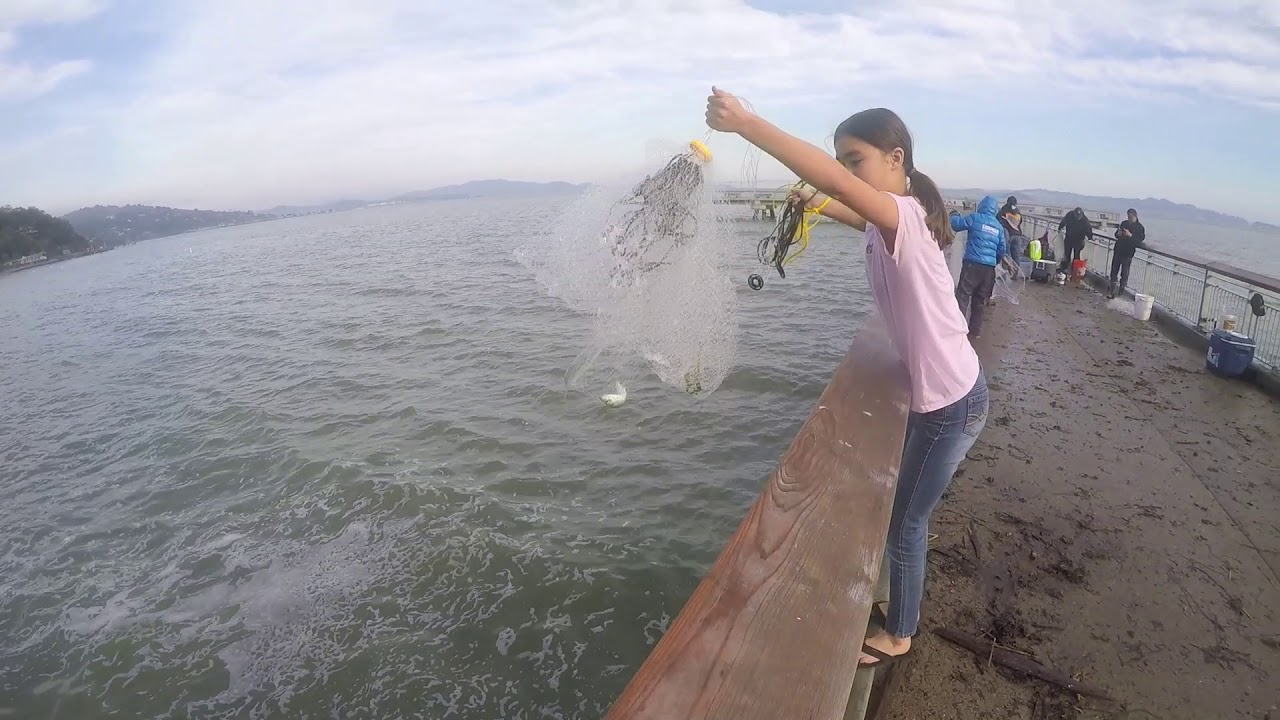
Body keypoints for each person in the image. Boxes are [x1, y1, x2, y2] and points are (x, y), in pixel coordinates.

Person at [707, 87, 989, 667]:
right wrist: (808, 197)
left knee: (906, 524)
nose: (845, 172)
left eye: (854, 159)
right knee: (905, 516)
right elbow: (840, 203)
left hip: (949, 405)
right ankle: (903, 610)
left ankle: (901, 632)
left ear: (896, 158)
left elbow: (840, 192)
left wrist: (748, 124)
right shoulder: (887, 223)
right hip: (948, 393)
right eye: (841, 161)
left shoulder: (904, 216)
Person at [950, 196, 1015, 338]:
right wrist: (994, 262)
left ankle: (957, 330)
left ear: (981, 206)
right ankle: (975, 332)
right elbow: (1001, 249)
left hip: (972, 264)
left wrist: (953, 215)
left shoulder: (975, 218)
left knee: (963, 296)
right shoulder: (998, 226)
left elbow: (956, 224)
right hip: (988, 269)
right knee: (979, 301)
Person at [1108, 208, 1146, 298]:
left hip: (1128, 253)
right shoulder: (1124, 223)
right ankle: (1111, 291)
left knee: (1124, 274)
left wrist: (1130, 235)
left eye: (1130, 217)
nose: (1129, 219)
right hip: (1118, 250)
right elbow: (1116, 235)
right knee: (1114, 271)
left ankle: (1120, 293)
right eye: (1128, 217)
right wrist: (1119, 233)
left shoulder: (1140, 228)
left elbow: (1139, 242)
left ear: (1135, 216)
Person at [1057, 207, 1093, 274]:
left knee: (1076, 256)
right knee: (1067, 254)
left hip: (1079, 240)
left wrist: (1090, 237)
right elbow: (1064, 221)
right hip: (1069, 238)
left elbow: (1089, 229)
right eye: (1077, 215)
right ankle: (1064, 269)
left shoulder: (1085, 220)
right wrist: (1060, 227)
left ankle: (1074, 270)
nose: (1078, 217)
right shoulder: (1069, 215)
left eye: (1079, 216)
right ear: (1074, 213)